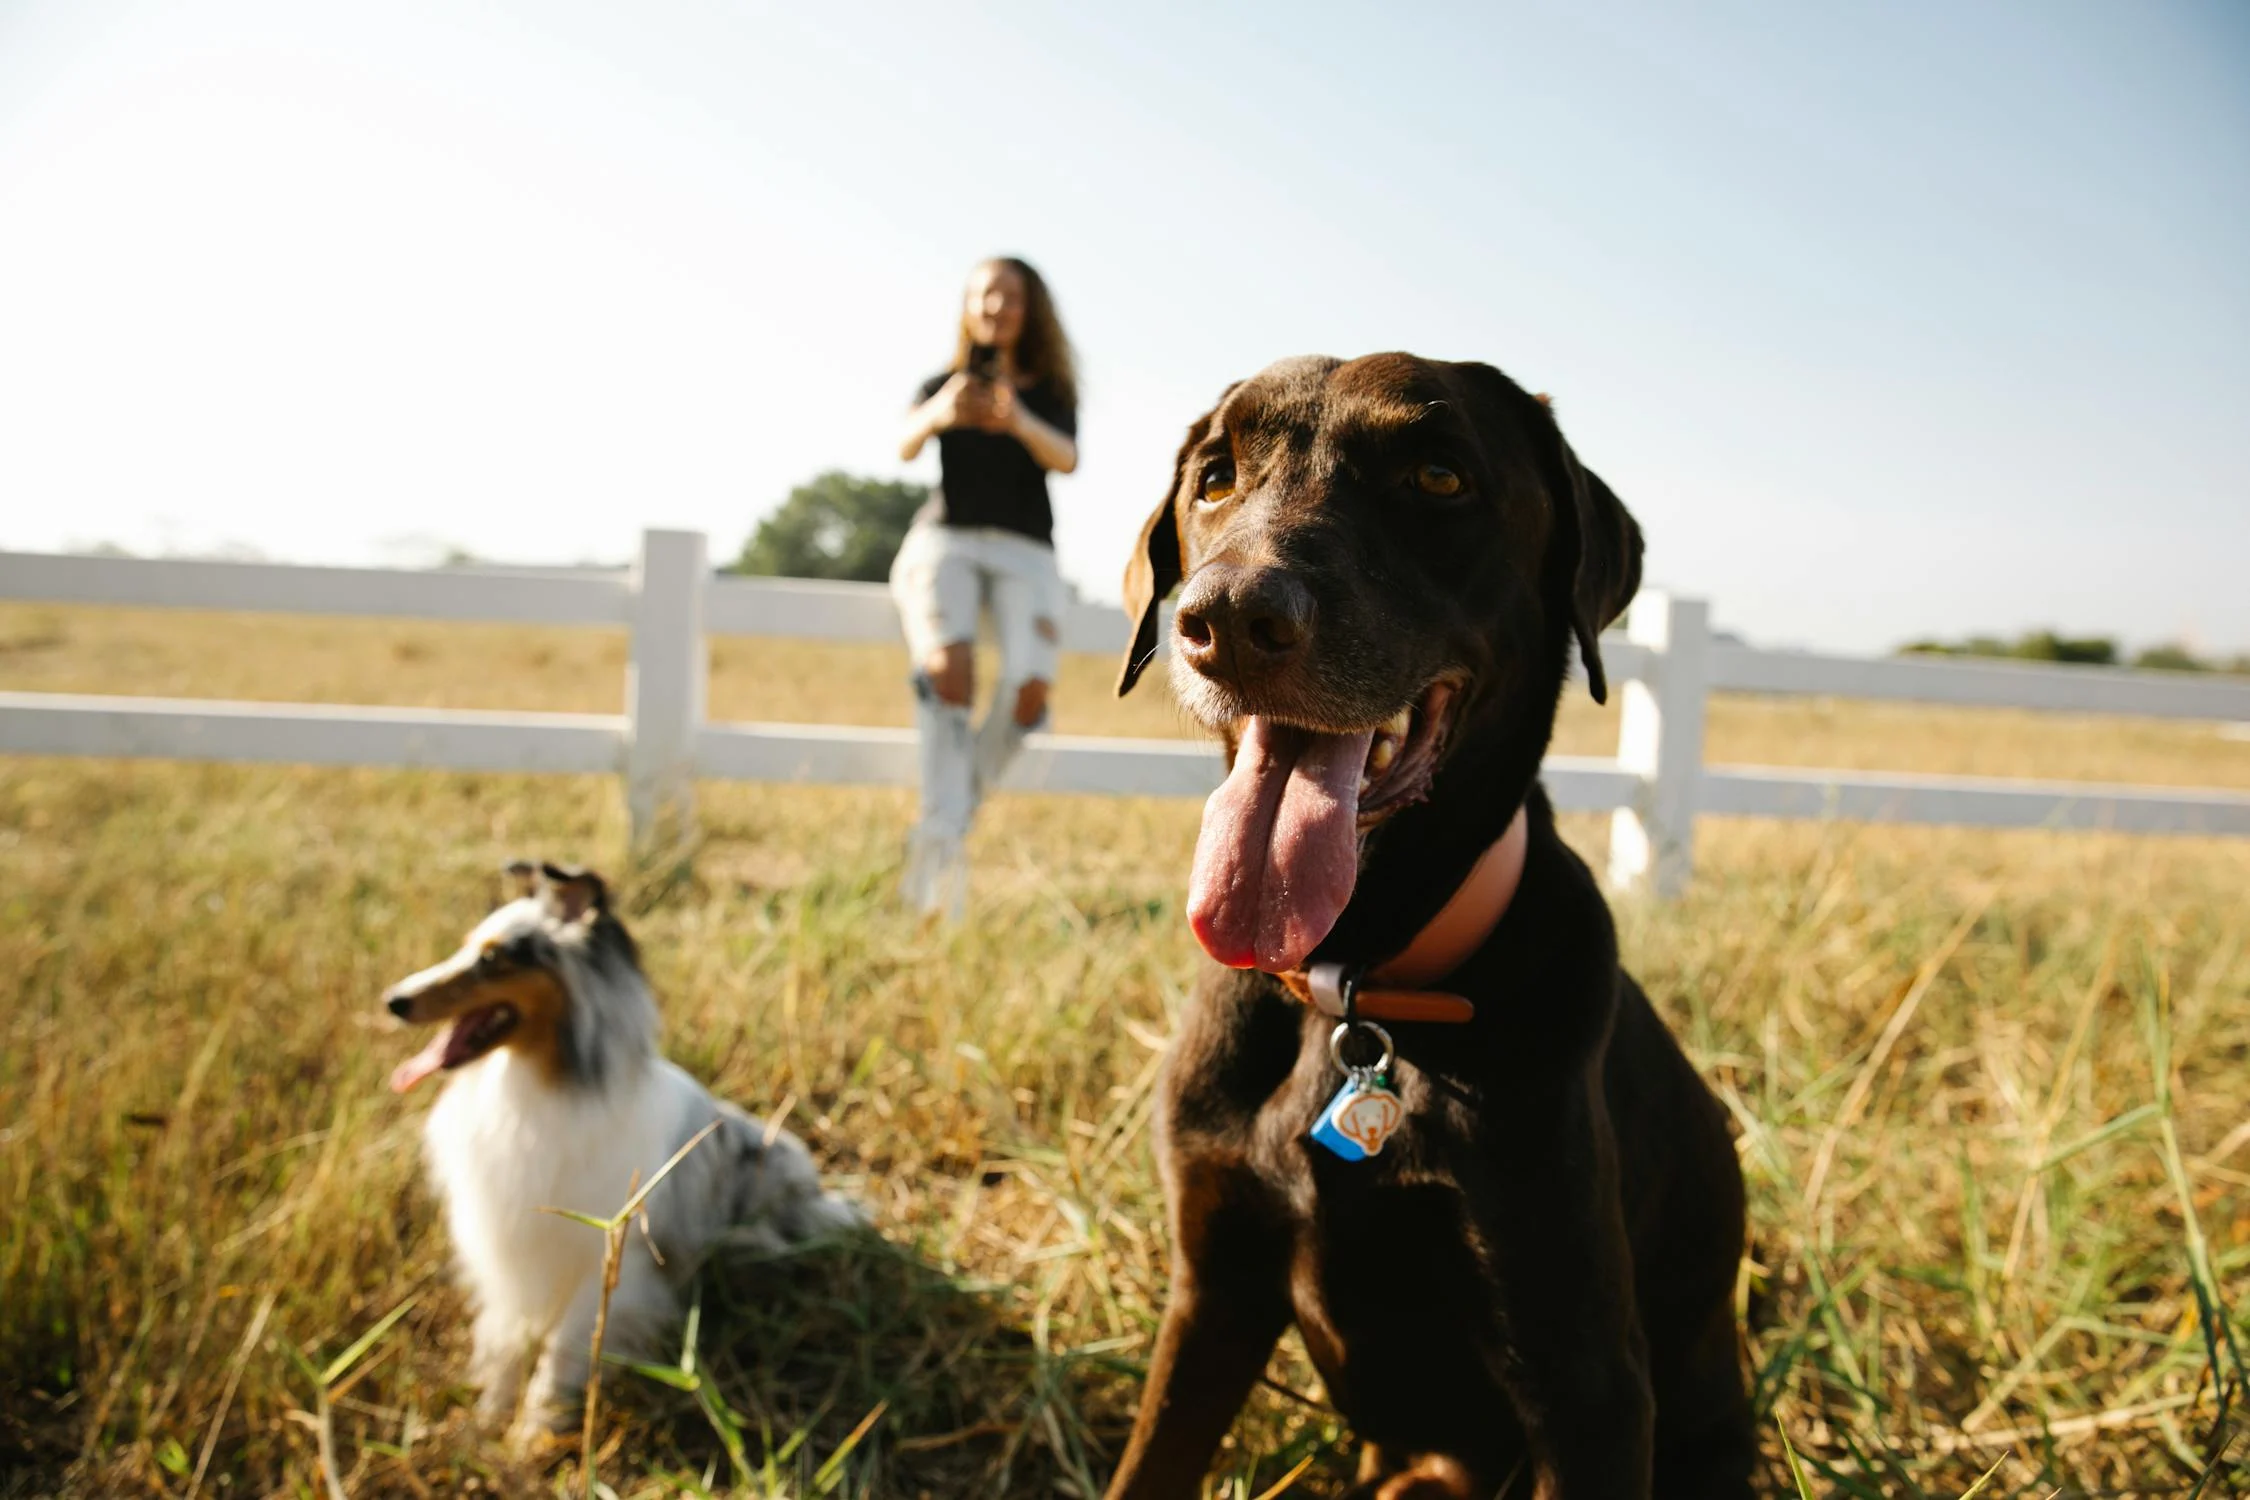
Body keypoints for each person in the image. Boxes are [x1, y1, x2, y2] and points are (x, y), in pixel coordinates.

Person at [890, 257, 1080, 917]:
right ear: (969, 305)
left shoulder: (1050, 390)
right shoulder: (943, 384)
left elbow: (1068, 458)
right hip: (948, 537)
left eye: (1009, 295)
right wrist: (944, 411)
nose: (996, 305)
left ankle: (943, 820)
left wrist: (1017, 420)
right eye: (984, 294)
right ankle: (942, 841)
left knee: (1030, 688)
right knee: (948, 666)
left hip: (1026, 549)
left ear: (1031, 309)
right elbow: (904, 446)